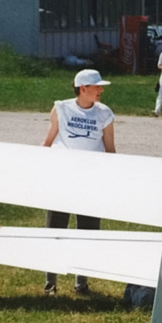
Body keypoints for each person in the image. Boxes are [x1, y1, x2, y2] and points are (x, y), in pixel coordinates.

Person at [40, 69, 115, 295]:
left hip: (91, 181)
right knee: (56, 229)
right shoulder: (61, 108)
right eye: (97, 87)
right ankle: (50, 283)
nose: (101, 90)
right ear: (83, 88)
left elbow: (110, 148)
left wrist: (112, 177)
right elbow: (49, 140)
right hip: (63, 179)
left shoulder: (104, 113)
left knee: (88, 231)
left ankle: (81, 282)